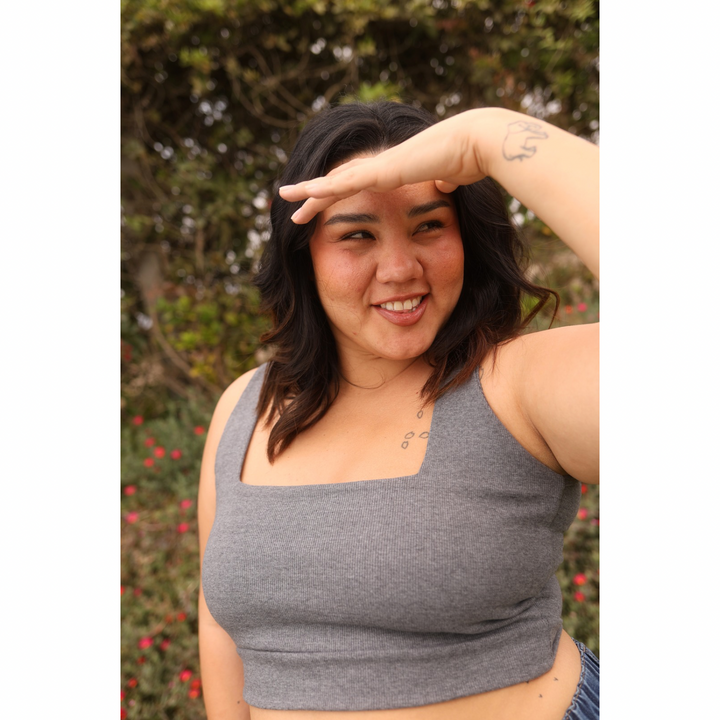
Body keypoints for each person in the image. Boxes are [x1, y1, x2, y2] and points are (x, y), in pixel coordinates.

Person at [197, 101, 599, 720]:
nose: (400, 269)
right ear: (304, 254)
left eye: (429, 225)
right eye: (357, 234)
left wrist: (486, 137)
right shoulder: (246, 406)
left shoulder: (517, 383)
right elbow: (222, 630)